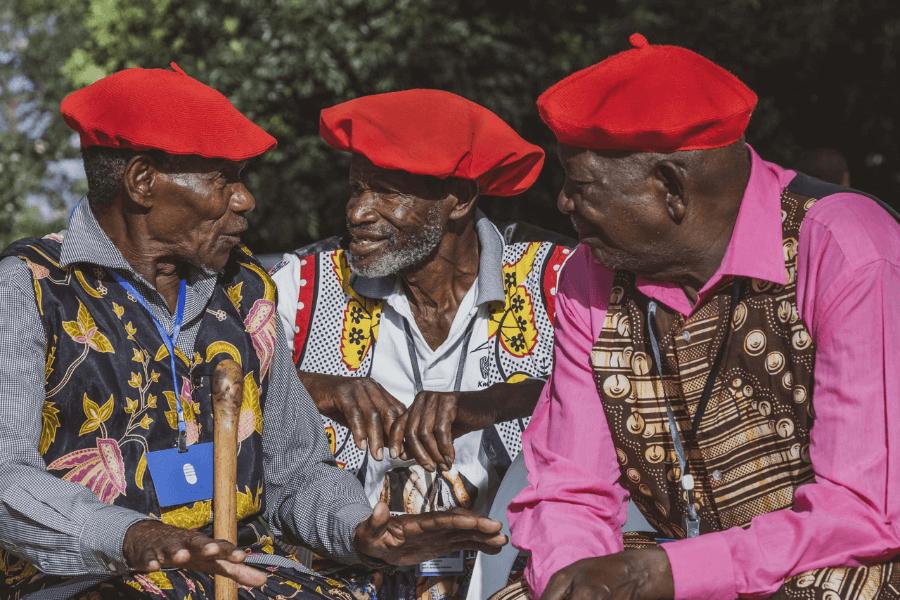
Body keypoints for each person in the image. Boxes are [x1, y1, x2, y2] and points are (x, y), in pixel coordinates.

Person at [0, 65, 508, 600]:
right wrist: (133, 537)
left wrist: (364, 531)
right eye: (225, 178)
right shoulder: (31, 287)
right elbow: (5, 475)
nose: (246, 200)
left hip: (247, 577)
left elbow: (296, 473)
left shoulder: (245, 290)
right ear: (142, 181)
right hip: (93, 581)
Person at [506, 34, 900, 600]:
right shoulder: (589, 274)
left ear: (670, 188)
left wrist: (670, 572)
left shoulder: (849, 251)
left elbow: (863, 515)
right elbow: (570, 492)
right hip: (686, 567)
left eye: (580, 185)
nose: (564, 204)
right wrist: (577, 581)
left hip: (839, 561)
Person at [271, 89, 573, 600]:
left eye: (387, 192)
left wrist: (487, 404)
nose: (358, 212)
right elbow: (212, 385)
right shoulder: (302, 287)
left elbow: (621, 399)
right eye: (356, 189)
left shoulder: (559, 278)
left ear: (458, 199)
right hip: (345, 579)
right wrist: (314, 388)